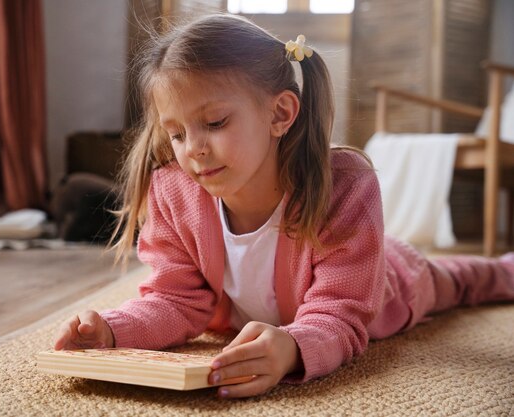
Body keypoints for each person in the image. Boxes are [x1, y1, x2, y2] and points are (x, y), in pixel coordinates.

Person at [53, 14, 514, 398]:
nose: (192, 148)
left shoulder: (346, 185)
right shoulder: (174, 192)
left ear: (280, 114)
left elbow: (340, 314)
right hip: (318, 280)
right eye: (176, 133)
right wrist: (112, 329)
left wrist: (293, 346)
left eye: (214, 122)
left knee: (462, 280)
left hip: (391, 279)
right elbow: (174, 300)